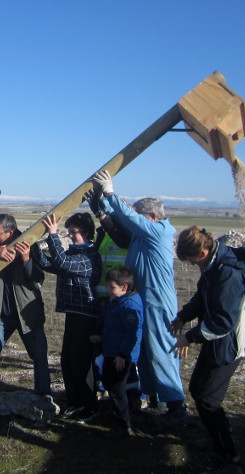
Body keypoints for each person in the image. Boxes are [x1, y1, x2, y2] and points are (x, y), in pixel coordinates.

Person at [91, 169, 187, 426]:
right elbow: (123, 230)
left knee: (161, 352)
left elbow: (129, 218)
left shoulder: (158, 232)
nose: (136, 222)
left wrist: (110, 191)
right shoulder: (142, 236)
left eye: (140, 217)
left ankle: (176, 406)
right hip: (144, 301)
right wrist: (103, 212)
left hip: (157, 302)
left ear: (152, 217)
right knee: (144, 353)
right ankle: (154, 400)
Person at [169, 226, 245, 474]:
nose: (189, 264)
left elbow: (222, 322)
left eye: (190, 260)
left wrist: (190, 337)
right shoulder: (212, 265)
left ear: (203, 251)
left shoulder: (227, 272)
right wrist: (183, 316)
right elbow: (203, 296)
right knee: (198, 388)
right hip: (216, 339)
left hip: (229, 343)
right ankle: (215, 437)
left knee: (208, 398)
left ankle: (230, 463)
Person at [0, 214, 50, 395]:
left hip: (28, 315)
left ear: (10, 232)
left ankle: (43, 398)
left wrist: (26, 259)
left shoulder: (30, 244)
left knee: (39, 357)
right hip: (0, 315)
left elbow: (38, 278)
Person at [33, 212, 101, 422]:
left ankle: (90, 406)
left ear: (86, 233)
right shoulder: (75, 254)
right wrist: (32, 245)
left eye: (74, 232)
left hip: (86, 315)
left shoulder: (89, 256)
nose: (70, 236)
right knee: (67, 361)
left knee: (81, 363)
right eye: (69, 232)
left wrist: (53, 234)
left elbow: (61, 263)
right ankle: (75, 402)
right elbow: (50, 264)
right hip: (73, 313)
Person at [89, 266, 143, 439]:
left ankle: (123, 425)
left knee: (117, 389)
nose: (109, 291)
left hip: (120, 355)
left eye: (112, 287)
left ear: (124, 287)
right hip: (111, 350)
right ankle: (120, 415)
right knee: (111, 383)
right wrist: (102, 337)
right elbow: (114, 327)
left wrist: (123, 355)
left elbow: (131, 334)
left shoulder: (130, 306)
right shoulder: (117, 300)